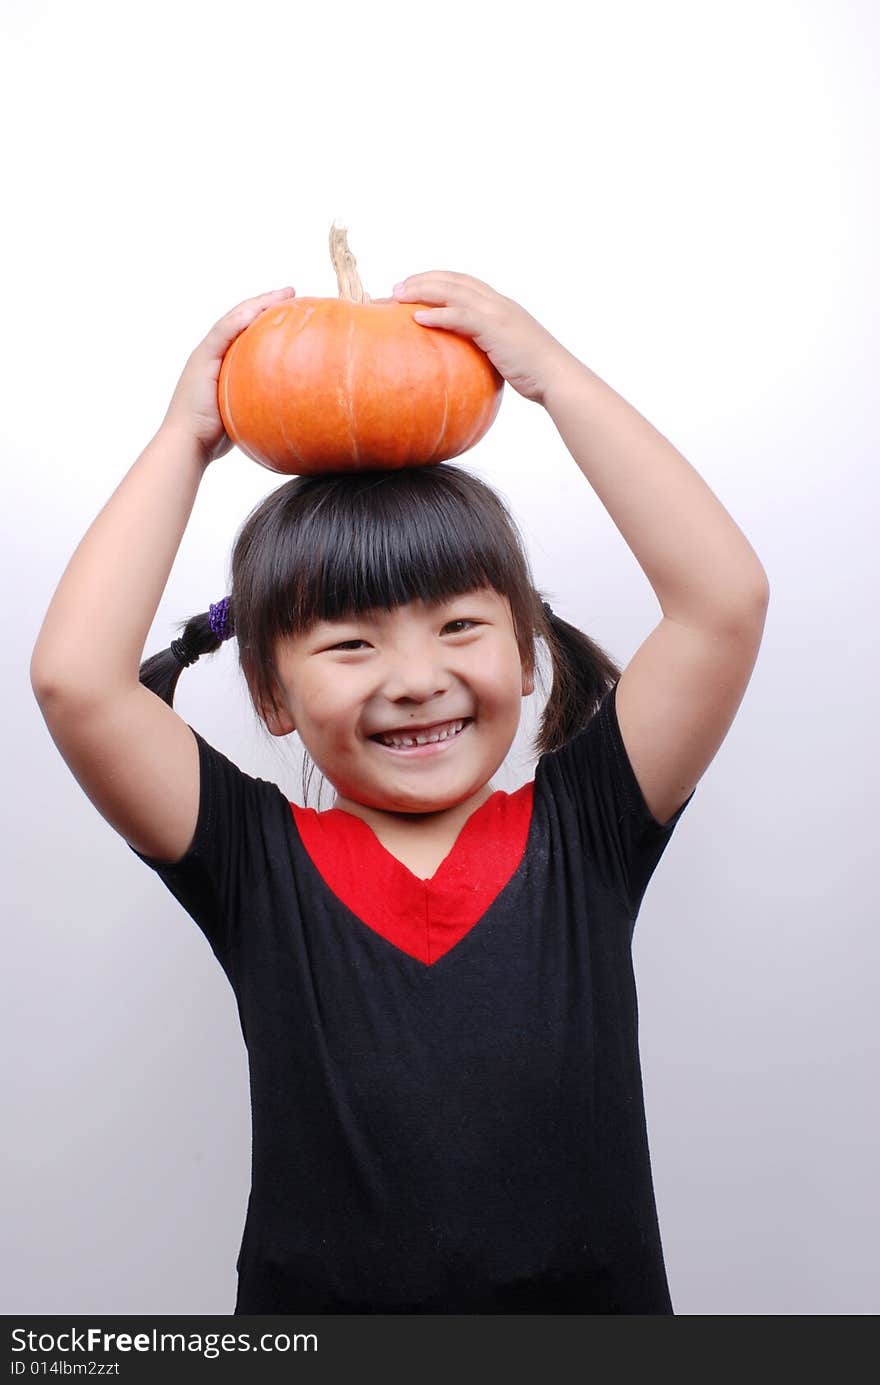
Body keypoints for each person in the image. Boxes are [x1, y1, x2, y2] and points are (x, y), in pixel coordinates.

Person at [30, 272, 770, 1314]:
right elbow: (77, 680)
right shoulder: (255, 862)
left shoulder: (589, 825)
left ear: (524, 654)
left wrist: (552, 378)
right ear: (272, 695)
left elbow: (723, 602)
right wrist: (183, 440)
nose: (415, 675)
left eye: (459, 626)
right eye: (348, 643)